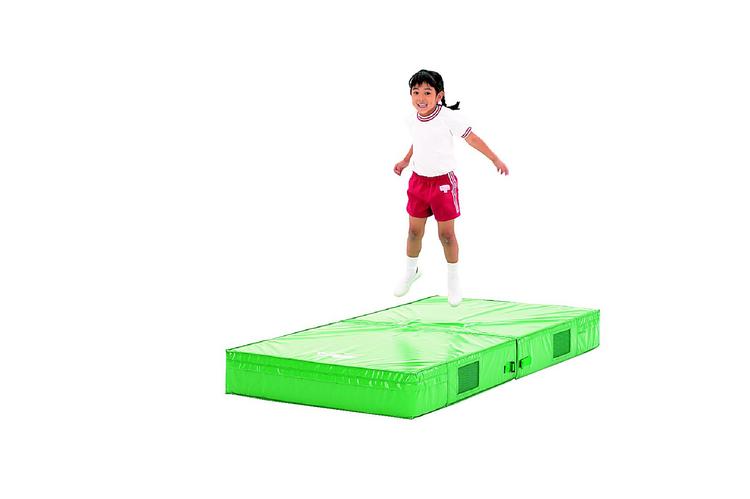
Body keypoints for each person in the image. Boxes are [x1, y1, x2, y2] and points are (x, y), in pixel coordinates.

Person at [393, 69, 509, 307]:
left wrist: (495, 159)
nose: (421, 98)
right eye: (416, 92)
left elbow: (472, 138)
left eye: (427, 92)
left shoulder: (447, 118)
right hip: (418, 182)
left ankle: (453, 280)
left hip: (442, 183)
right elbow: (419, 141)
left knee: (446, 235)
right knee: (413, 232)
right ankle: (411, 271)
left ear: (439, 95)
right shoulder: (413, 119)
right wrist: (405, 161)